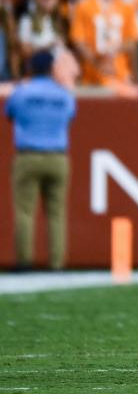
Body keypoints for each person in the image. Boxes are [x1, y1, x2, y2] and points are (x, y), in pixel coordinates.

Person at [4, 51, 76, 271]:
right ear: (52, 69)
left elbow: (9, 113)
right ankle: (57, 263)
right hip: (57, 156)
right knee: (57, 213)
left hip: (29, 155)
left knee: (25, 212)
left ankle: (25, 261)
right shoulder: (64, 94)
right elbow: (70, 116)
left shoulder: (22, 92)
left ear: (31, 68)